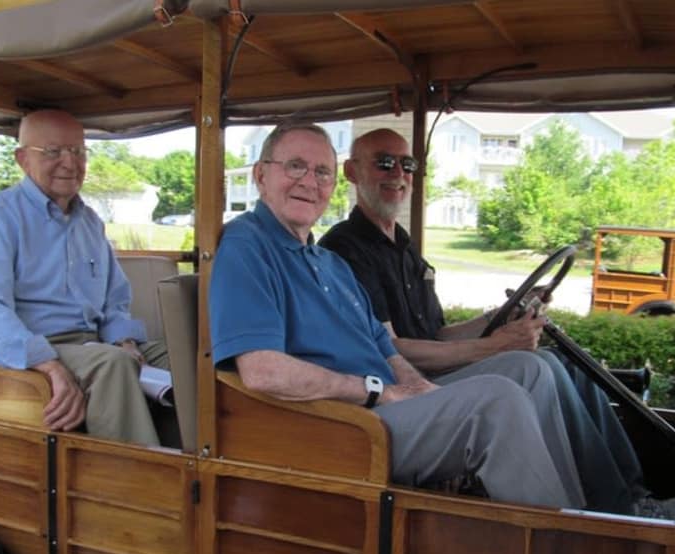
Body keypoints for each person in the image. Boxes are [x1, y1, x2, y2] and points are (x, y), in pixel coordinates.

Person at [209, 121, 596, 510]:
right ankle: (562, 549)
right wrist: (377, 392)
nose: (309, 182)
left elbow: (383, 345)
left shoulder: (330, 263)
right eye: (295, 166)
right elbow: (263, 370)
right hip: (338, 426)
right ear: (261, 175)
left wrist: (416, 386)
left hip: (382, 406)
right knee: (497, 402)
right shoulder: (247, 245)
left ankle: (585, 514)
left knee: (526, 369)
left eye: (322, 171)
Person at [319, 128, 675, 518]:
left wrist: (501, 315)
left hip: (434, 370)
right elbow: (394, 348)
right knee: (533, 367)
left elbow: (436, 334)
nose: (398, 174)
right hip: (404, 385)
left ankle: (633, 494)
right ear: (351, 172)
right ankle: (608, 511)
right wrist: (495, 346)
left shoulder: (403, 245)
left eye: (407, 164)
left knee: (565, 362)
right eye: (384, 163)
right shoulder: (345, 249)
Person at [0, 109, 168, 446]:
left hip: (90, 342)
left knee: (185, 357)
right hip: (37, 346)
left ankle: (203, 462)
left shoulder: (89, 222)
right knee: (112, 365)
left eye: (79, 151)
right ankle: (129, 485)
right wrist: (50, 366)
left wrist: (124, 340)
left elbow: (114, 299)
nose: (70, 163)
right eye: (53, 152)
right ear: (22, 159)